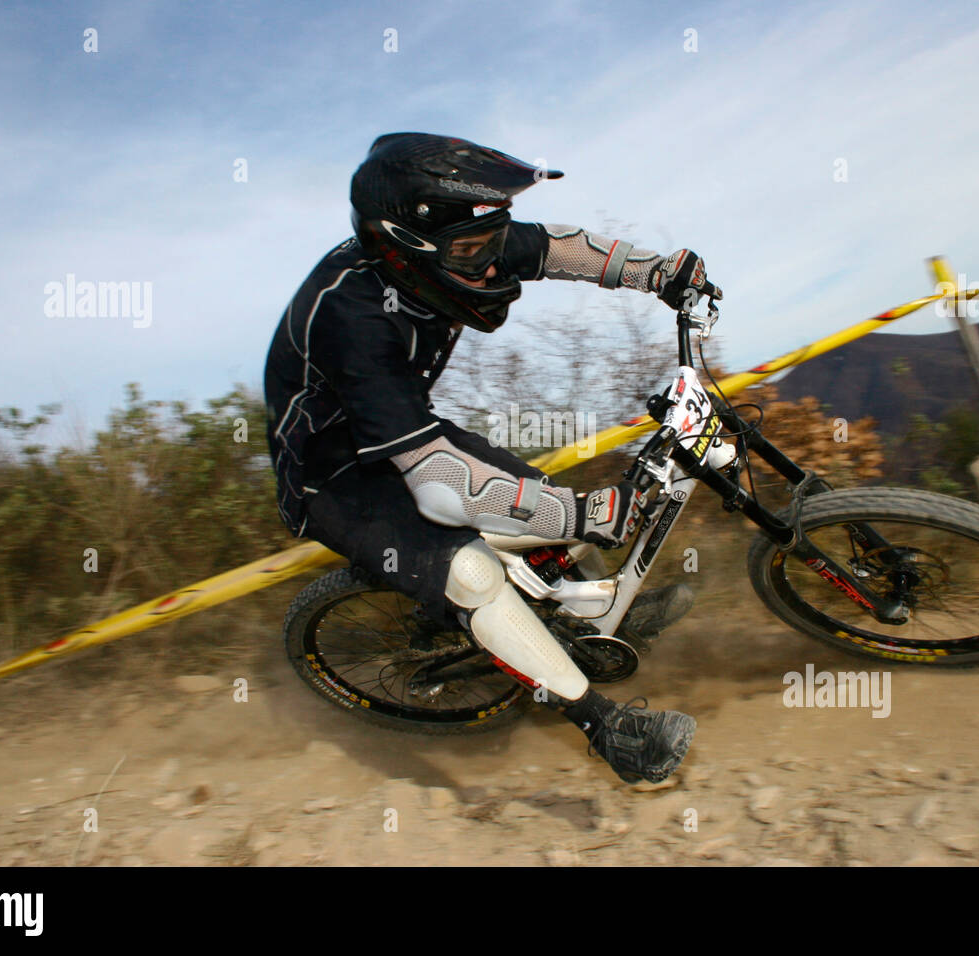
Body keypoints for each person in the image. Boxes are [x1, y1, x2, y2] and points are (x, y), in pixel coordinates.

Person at [263, 132, 718, 783]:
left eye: (493, 241)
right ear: (403, 249)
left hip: (404, 429)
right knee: (476, 573)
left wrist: (656, 272)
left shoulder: (460, 241)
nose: (491, 263)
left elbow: (557, 248)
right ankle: (609, 730)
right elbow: (440, 487)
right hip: (333, 472)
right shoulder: (352, 315)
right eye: (474, 252)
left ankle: (599, 616)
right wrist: (582, 514)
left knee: (532, 491)